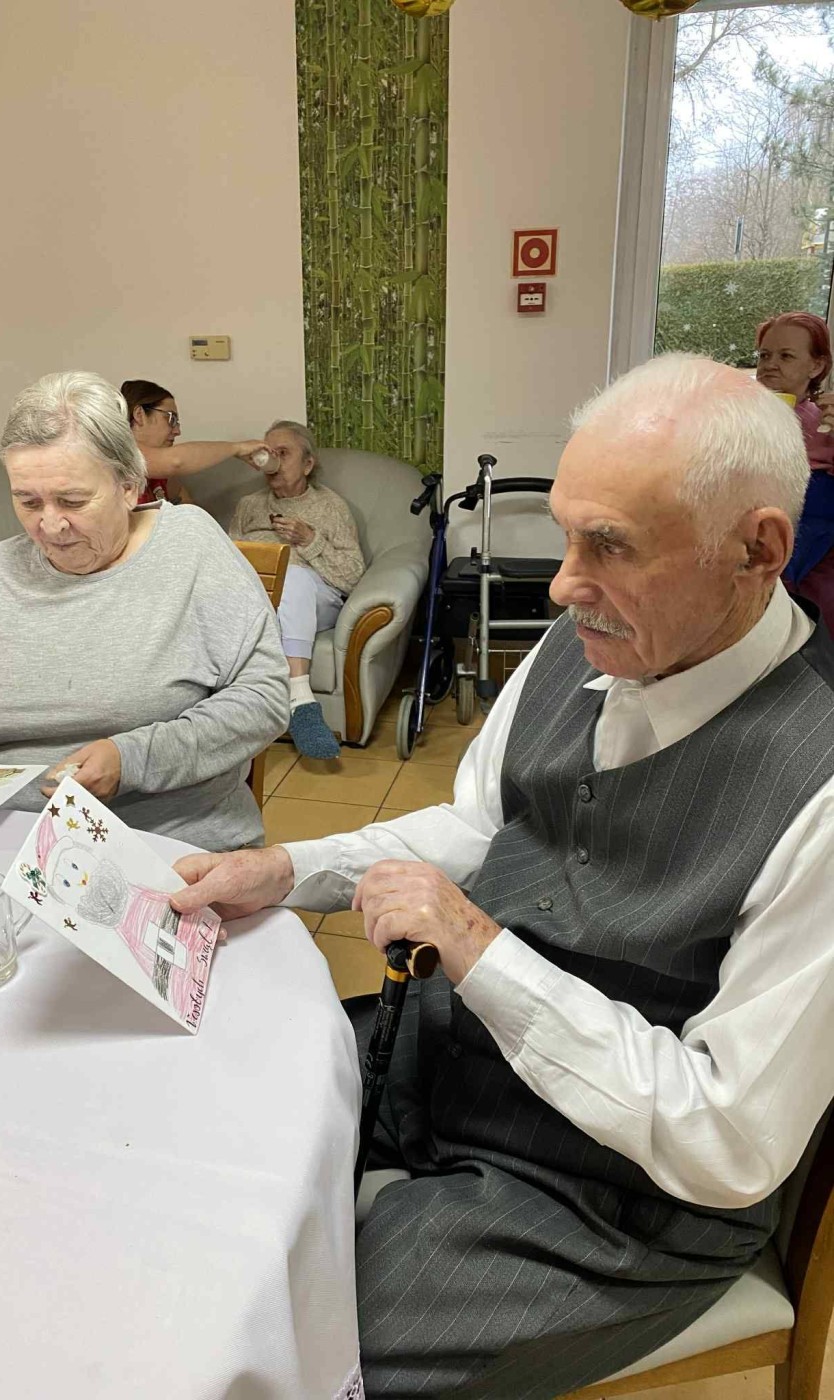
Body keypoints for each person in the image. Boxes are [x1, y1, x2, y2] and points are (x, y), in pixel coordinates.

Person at [169, 355, 834, 1398]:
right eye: (567, 534)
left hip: (609, 1196)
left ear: (759, 549)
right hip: (452, 1054)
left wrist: (477, 949)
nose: (562, 584)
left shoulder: (819, 784)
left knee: (274, 1356)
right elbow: (479, 824)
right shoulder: (586, 641)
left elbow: (728, 1139)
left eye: (610, 544)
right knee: (188, 1155)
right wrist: (288, 866)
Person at [0, 372, 289, 851]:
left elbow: (264, 699)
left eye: (73, 500)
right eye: (27, 501)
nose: (50, 525)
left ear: (129, 485)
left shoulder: (190, 546)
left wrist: (132, 759)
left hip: (162, 841)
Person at [228, 421, 364, 760]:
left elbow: (352, 576)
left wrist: (309, 540)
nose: (273, 461)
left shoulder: (331, 506)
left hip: (317, 596)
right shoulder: (249, 506)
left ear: (307, 464)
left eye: (283, 454)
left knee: (294, 575)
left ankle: (300, 699)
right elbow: (228, 563)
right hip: (260, 598)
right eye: (268, 453)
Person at [756, 311, 834, 632]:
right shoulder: (736, 414)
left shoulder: (825, 422)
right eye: (764, 355)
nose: (770, 364)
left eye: (786, 356)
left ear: (816, 366)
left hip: (811, 553)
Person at [120, 379, 271, 505]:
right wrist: (237, 448)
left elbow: (183, 497)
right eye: (171, 418)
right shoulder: (121, 453)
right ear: (139, 415)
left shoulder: (160, 472)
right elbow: (176, 461)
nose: (177, 431)